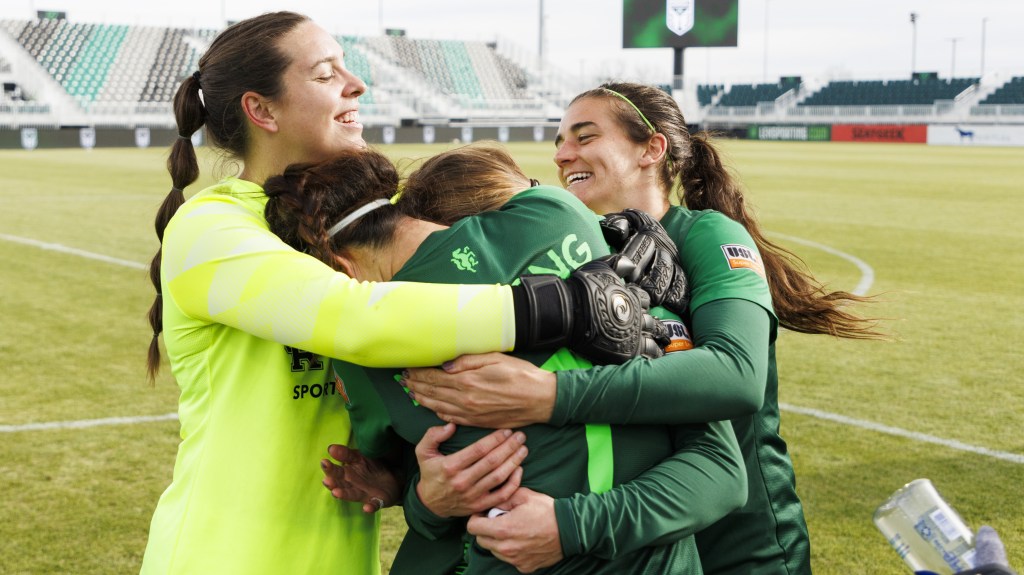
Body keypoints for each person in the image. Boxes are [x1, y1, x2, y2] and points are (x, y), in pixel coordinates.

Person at [138, 12, 667, 574]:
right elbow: (357, 321)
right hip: (226, 556)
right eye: (325, 74)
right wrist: (564, 304)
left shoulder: (369, 217)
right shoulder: (211, 229)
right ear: (262, 110)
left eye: (347, 66)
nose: (357, 84)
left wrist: (407, 485)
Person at [400, 82, 885, 575]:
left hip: (738, 545)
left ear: (651, 149)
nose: (563, 155)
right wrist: (408, 488)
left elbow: (736, 374)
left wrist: (549, 394)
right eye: (560, 143)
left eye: (585, 137)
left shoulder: (707, 234)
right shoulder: (579, 251)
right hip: (640, 544)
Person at [265, 144, 747, 574]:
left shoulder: (361, 348)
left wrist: (412, 495)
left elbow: (389, 458)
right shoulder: (554, 209)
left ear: (341, 267)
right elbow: (722, 468)